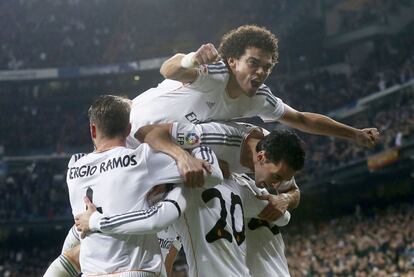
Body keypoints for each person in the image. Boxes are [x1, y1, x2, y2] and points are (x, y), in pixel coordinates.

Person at [75, 126, 306, 276]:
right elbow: (283, 218)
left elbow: (156, 227)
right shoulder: (247, 187)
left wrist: (95, 220)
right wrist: (281, 204)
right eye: (276, 177)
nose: (276, 185)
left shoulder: (182, 190)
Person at [128, 24, 379, 155]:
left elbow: (302, 119)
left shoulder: (259, 98)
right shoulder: (216, 75)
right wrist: (192, 58)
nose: (260, 71)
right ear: (232, 61)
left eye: (267, 67)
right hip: (126, 131)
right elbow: (169, 70)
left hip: (158, 148)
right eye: (253, 63)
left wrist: (353, 134)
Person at [45, 95, 223, 277]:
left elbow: (70, 250)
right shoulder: (142, 159)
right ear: (129, 129)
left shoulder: (74, 167)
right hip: (136, 270)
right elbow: (213, 174)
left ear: (93, 130)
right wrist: (193, 145)